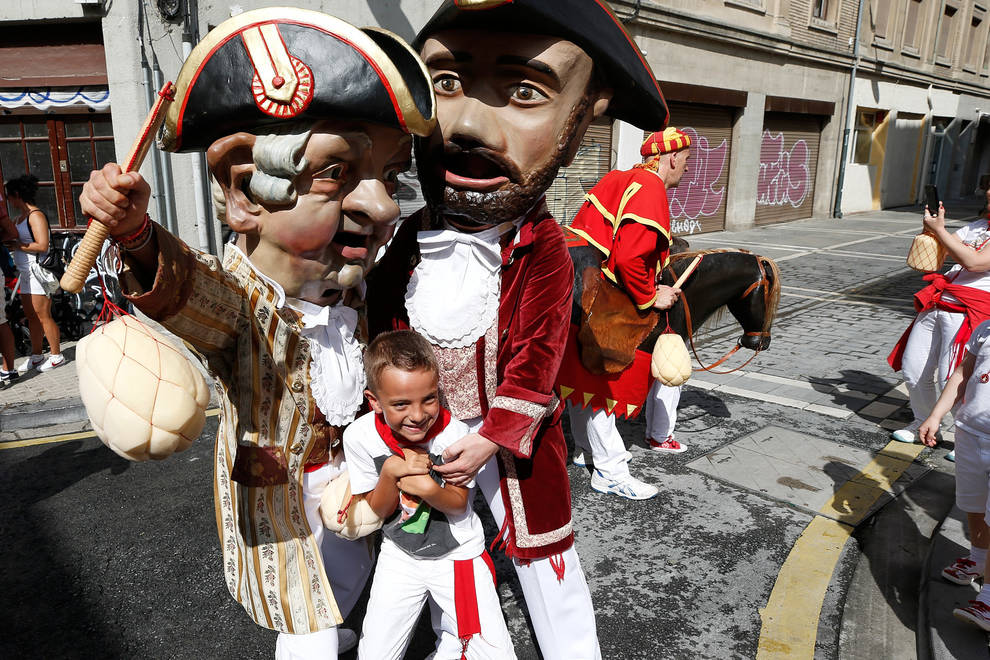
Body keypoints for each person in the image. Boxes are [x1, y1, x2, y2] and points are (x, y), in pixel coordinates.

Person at [78, 9, 437, 659]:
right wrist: (136, 236)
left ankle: (330, 622)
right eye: (337, 173)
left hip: (341, 474)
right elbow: (189, 290)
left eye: (390, 178)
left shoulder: (353, 289)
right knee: (305, 615)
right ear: (245, 191)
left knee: (348, 571)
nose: (382, 207)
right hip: (272, 486)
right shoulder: (243, 302)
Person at [366, 2, 669, 658]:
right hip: (426, 430)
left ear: (578, 123)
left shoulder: (543, 250)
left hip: (511, 444)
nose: (469, 123)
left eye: (525, 92)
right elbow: (380, 332)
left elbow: (539, 355)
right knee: (427, 551)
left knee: (547, 562)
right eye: (445, 84)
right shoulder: (402, 243)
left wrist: (493, 438)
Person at [345, 330, 515, 660]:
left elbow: (458, 503)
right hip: (399, 555)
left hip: (457, 556)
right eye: (400, 404)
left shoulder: (455, 434)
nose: (419, 414)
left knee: (490, 652)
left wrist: (427, 487)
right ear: (374, 402)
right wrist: (390, 473)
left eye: (429, 398)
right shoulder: (360, 436)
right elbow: (376, 512)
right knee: (375, 652)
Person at [561, 127, 692, 501]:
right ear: (671, 158)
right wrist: (651, 296)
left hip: (576, 285)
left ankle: (588, 451)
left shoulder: (623, 177)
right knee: (602, 385)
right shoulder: (650, 188)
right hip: (599, 296)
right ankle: (611, 470)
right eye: (685, 160)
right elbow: (631, 257)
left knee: (580, 382)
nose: (686, 168)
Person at [889, 195, 990, 456]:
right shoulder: (977, 226)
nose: (988, 195)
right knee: (913, 369)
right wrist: (933, 228)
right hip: (938, 303)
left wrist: (941, 230)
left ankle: (963, 436)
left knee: (952, 375)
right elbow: (943, 249)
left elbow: (974, 262)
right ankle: (923, 421)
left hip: (969, 311)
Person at [919, 318, 990, 631]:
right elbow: (963, 372)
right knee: (973, 505)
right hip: (970, 432)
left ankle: (987, 599)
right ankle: (977, 559)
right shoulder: (984, 330)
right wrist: (936, 415)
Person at [5, 174, 62, 372]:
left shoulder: (35, 215)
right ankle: (36, 355)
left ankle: (56, 355)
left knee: (43, 314)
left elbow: (42, 245)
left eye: (9, 197)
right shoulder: (19, 217)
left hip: (38, 272)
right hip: (25, 273)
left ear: (17, 195)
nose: (8, 201)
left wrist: (19, 245)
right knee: (31, 315)